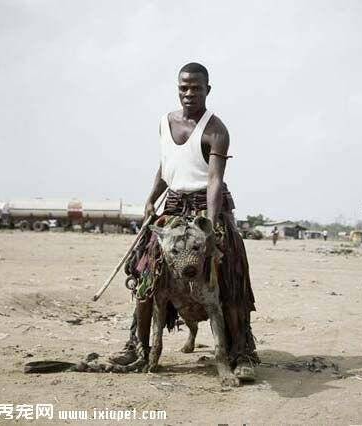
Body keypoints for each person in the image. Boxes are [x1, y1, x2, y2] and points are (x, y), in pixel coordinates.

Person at [110, 62, 258, 381]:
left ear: (208, 89)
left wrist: (211, 221)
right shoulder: (165, 123)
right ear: (178, 88)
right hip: (173, 206)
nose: (189, 93)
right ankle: (137, 345)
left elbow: (215, 180)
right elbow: (167, 168)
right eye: (184, 87)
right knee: (147, 276)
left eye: (196, 87)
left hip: (209, 207)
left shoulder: (217, 130)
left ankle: (241, 352)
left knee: (230, 278)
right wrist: (151, 198)